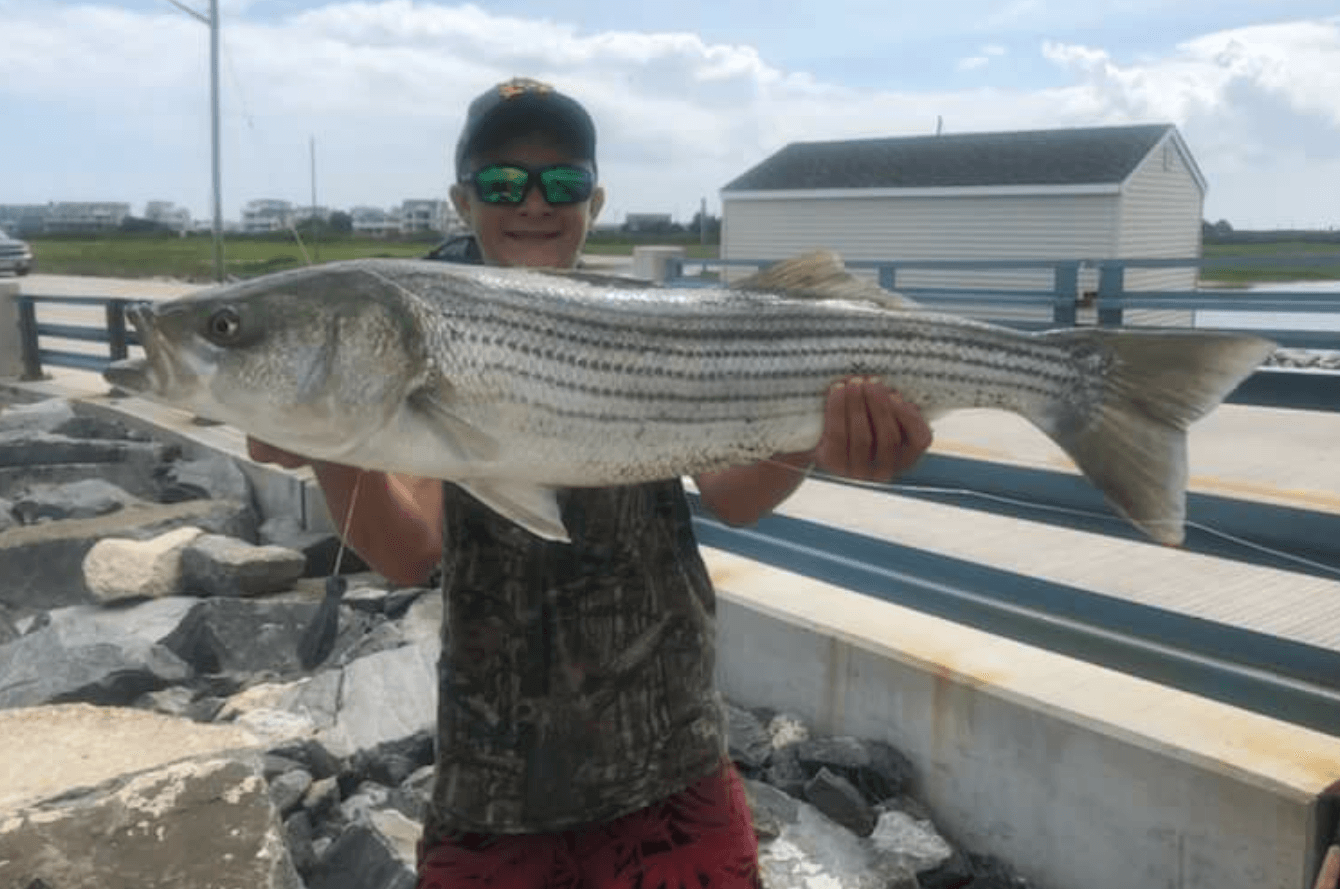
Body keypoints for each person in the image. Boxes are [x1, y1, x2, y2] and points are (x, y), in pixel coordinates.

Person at [249, 76, 933, 888]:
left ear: (595, 200)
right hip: (491, 787)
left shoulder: (646, 319)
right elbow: (409, 553)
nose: (533, 202)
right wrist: (330, 438)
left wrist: (818, 437)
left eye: (562, 182)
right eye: (503, 181)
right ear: (461, 202)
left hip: (672, 762)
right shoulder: (424, 333)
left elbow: (734, 497)